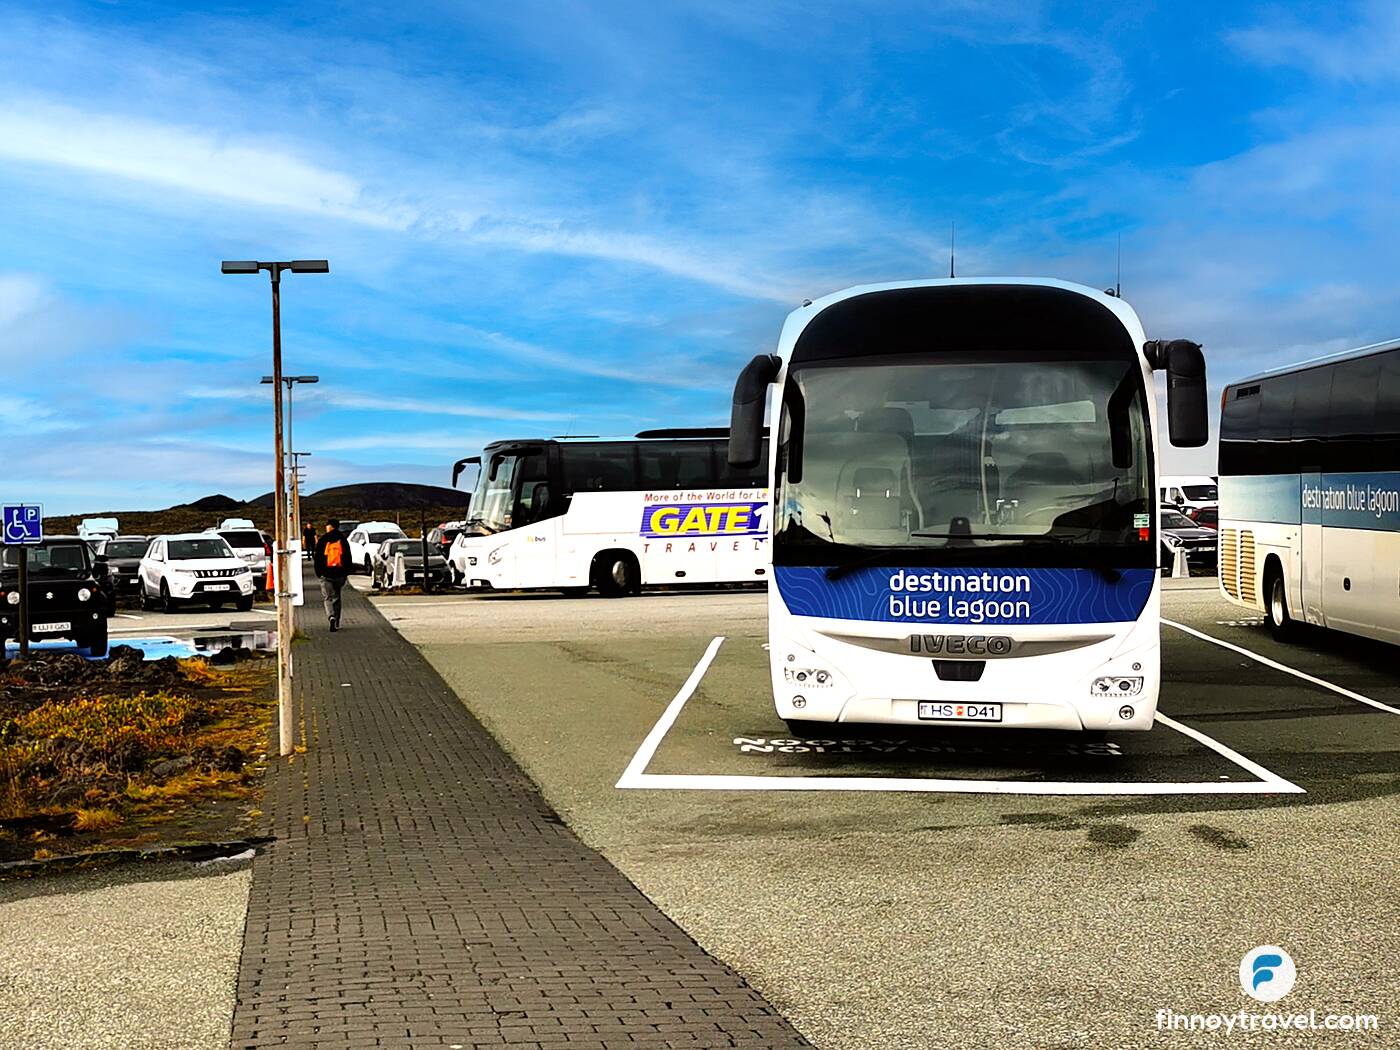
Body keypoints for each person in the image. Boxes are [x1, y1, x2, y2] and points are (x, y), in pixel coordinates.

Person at [313, 518, 351, 632]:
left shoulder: (323, 540)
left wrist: (319, 573)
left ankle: (331, 617)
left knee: (328, 597)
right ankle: (337, 622)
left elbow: (318, 558)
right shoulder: (343, 540)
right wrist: (346, 573)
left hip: (326, 574)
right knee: (337, 597)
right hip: (339, 574)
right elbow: (348, 558)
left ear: (329, 526)